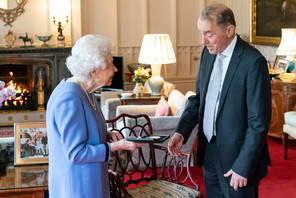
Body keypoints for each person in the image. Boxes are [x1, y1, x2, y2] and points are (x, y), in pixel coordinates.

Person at [168, 3, 271, 198]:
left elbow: (258, 122)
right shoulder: (208, 53)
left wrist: (243, 166)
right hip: (209, 152)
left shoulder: (253, 62)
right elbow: (199, 100)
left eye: (209, 33)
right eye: (201, 33)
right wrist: (182, 132)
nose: (203, 40)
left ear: (229, 30)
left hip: (238, 160)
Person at [46, 34, 145, 198]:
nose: (115, 69)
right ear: (94, 71)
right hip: (76, 186)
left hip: (90, 179)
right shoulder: (69, 98)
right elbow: (75, 153)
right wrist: (118, 146)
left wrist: (106, 134)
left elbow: (83, 133)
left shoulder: (87, 92)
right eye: (110, 64)